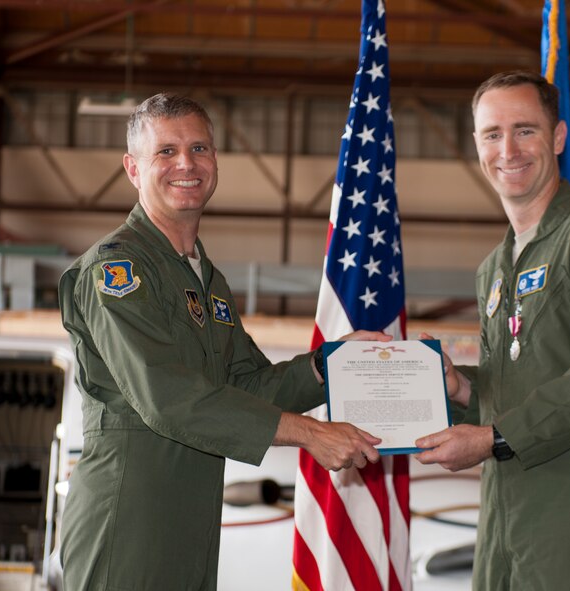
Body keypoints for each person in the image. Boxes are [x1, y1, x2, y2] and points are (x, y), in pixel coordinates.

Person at [57, 93, 387, 590]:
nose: (186, 163)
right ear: (132, 168)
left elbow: (245, 385)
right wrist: (309, 433)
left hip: (189, 517)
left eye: (199, 149)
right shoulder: (118, 268)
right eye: (165, 152)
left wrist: (332, 366)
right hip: (129, 514)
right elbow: (167, 397)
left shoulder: (205, 280)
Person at [415, 71, 570, 590]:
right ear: (476, 145)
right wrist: (463, 387)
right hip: (505, 519)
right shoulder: (494, 269)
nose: (508, 149)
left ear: (559, 138)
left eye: (525, 130)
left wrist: (493, 437)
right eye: (492, 133)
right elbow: (523, 379)